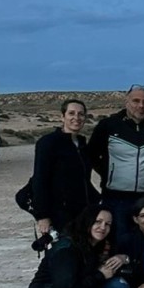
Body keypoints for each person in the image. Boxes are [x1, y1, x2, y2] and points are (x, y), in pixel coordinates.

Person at [88, 84, 144, 245]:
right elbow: (91, 155)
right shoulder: (108, 125)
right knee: (118, 242)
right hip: (115, 197)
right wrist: (108, 173)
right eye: (136, 101)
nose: (141, 106)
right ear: (126, 102)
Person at [31, 98, 100, 235]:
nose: (76, 118)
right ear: (62, 117)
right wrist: (42, 216)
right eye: (71, 113)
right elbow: (40, 179)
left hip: (82, 211)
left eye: (81, 114)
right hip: (59, 214)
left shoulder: (82, 144)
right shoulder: (48, 143)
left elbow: (84, 179)